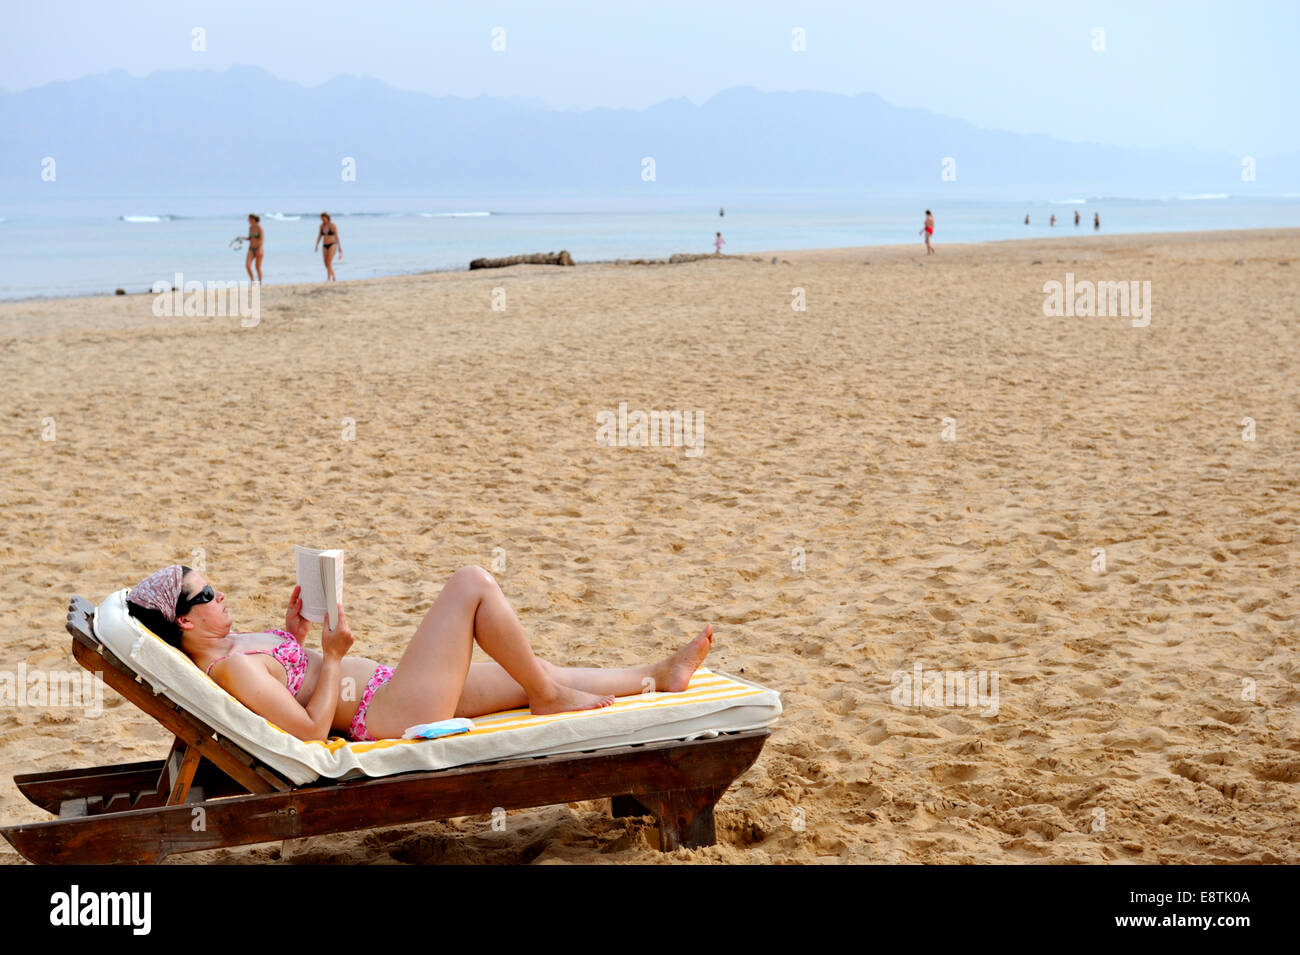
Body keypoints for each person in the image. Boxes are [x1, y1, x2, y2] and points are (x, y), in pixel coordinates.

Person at [125, 564, 715, 743]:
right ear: (183, 620)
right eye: (206, 595)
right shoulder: (226, 668)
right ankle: (547, 697)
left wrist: (295, 635)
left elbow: (289, 681)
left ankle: (657, 675)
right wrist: (331, 657)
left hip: (389, 689)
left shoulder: (230, 645)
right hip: (385, 713)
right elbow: (305, 730)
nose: (220, 593)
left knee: (528, 669)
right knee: (471, 584)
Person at [314, 212, 341, 281]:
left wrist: (339, 247)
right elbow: (319, 236)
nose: (322, 219)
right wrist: (316, 245)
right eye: (321, 218)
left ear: (327, 218)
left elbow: (336, 236)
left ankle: (329, 278)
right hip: (324, 245)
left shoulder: (332, 225)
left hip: (332, 244)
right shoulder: (321, 226)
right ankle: (333, 275)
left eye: (323, 218)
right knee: (325, 263)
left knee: (329, 262)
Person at [242, 214, 263, 283]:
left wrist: (259, 248)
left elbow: (262, 239)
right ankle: (252, 281)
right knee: (247, 265)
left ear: (253, 219)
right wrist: (241, 238)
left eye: (249, 219)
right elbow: (250, 238)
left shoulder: (259, 228)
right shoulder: (250, 228)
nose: (248, 220)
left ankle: (260, 282)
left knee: (257, 267)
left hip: (258, 249)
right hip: (251, 249)